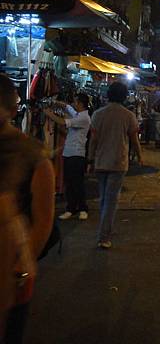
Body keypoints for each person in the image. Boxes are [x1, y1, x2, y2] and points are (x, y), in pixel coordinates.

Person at [0, 74, 54, 343]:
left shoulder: (32, 154)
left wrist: (21, 270)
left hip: (10, 267)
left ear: (10, 111)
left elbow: (43, 219)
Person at [88, 81, 143, 249]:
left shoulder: (98, 114)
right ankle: (104, 237)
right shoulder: (128, 115)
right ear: (124, 96)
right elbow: (134, 140)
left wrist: (90, 159)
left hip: (101, 161)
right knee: (111, 200)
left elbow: (93, 140)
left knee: (104, 198)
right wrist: (140, 156)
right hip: (118, 162)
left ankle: (106, 229)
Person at [44, 94, 91, 220]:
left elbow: (62, 122)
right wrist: (55, 102)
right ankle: (71, 208)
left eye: (76, 102)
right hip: (68, 153)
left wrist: (48, 113)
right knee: (69, 183)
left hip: (77, 154)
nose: (74, 104)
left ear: (81, 104)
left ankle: (82, 208)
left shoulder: (84, 118)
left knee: (77, 183)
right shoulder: (77, 114)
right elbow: (67, 107)